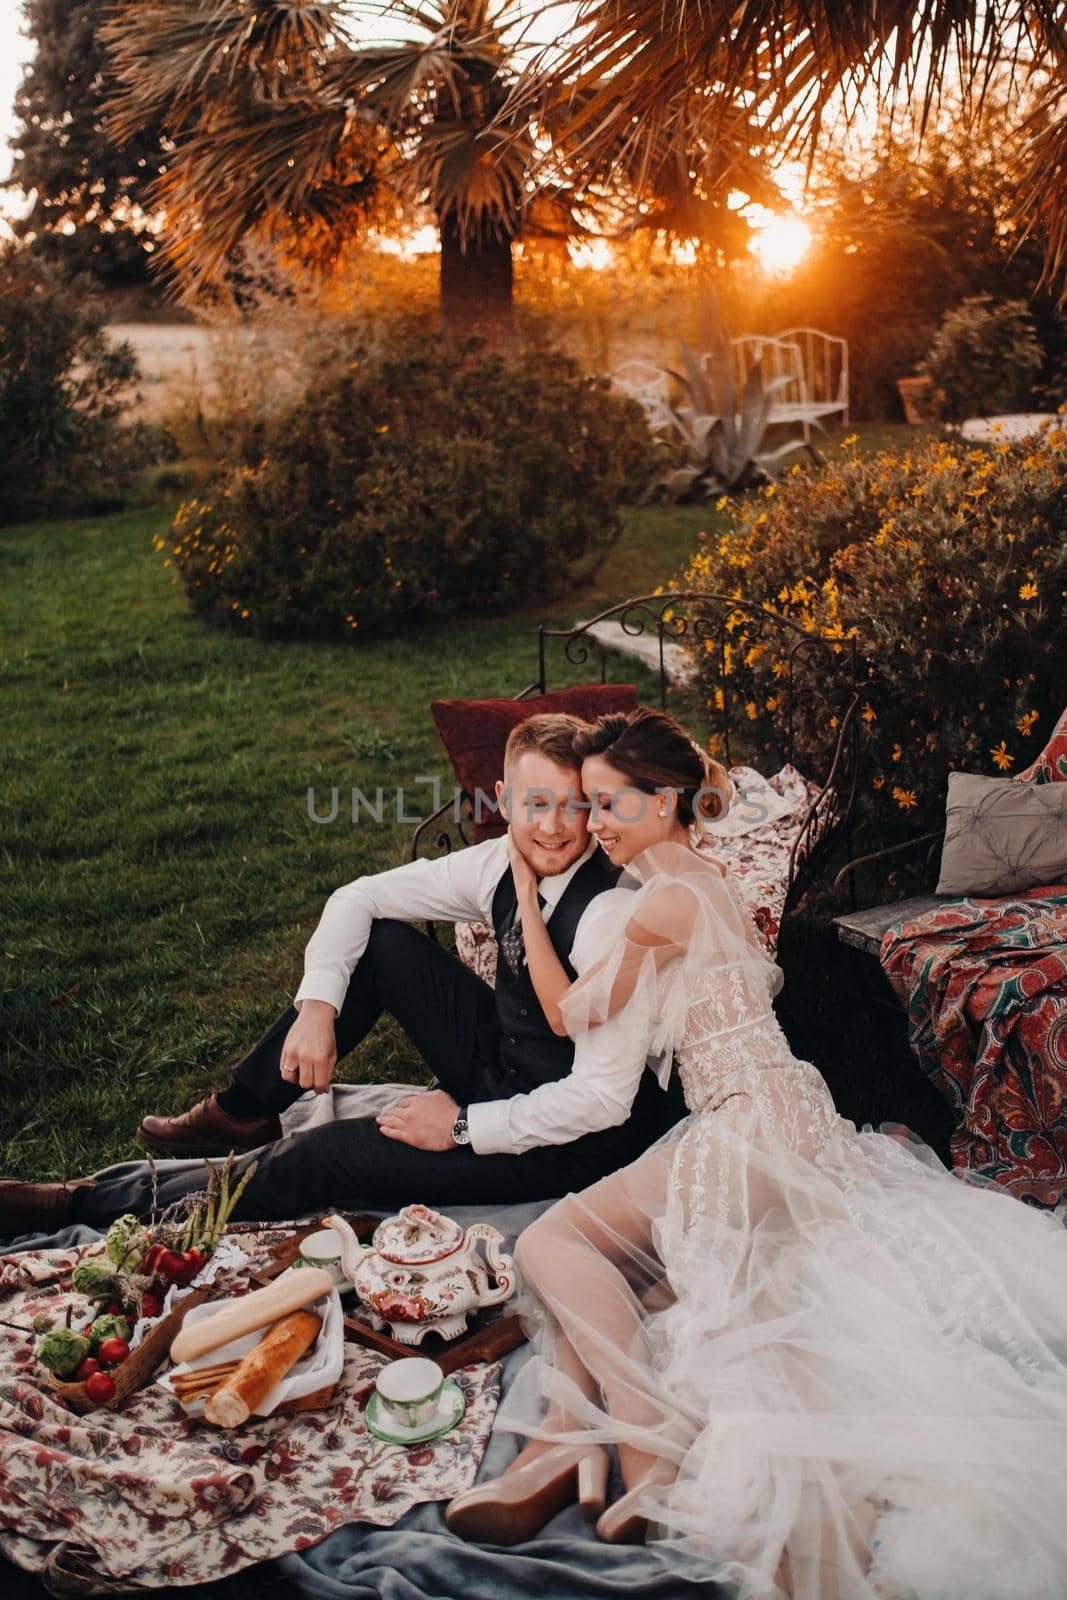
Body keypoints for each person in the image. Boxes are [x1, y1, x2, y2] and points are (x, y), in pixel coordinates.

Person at [446, 708, 1067, 1600]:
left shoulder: (662, 899)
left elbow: (565, 1013)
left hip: (748, 1123)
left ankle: (643, 1445)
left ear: (664, 802)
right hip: (786, 1113)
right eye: (591, 807)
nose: (598, 826)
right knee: (641, 1282)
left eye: (612, 806)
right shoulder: (698, 879)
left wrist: (519, 882)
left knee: (550, 1246)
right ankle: (565, 1454)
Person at [0, 713, 685, 1236]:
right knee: (382, 945)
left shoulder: (607, 916)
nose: (555, 828)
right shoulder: (500, 861)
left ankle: (85, 1204)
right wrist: (318, 1008)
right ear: (503, 800)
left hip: (561, 1140)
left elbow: (601, 1103)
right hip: (502, 1062)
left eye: (574, 806)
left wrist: (462, 1128)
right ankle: (241, 1112)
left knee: (323, 1157)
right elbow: (357, 897)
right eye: (537, 804)